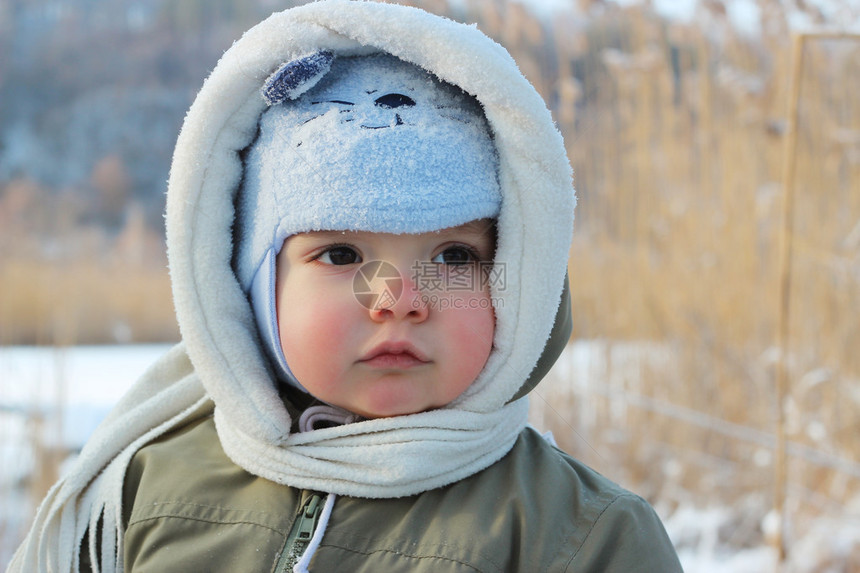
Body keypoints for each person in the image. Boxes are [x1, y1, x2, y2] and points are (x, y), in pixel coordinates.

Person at [10, 2, 683, 571]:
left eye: (452, 255)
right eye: (340, 252)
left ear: (516, 282)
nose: (398, 297)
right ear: (252, 284)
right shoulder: (145, 485)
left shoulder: (580, 539)